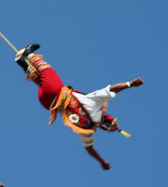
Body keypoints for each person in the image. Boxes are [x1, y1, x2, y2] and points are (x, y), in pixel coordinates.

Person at [14, 44, 143, 170]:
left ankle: (28, 54)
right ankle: (23, 63)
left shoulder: (94, 103)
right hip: (46, 103)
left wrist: (130, 84)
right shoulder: (86, 127)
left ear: (104, 114)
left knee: (46, 70)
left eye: (105, 110)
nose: (106, 108)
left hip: (55, 92)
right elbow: (89, 148)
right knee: (41, 79)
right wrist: (101, 161)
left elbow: (112, 89)